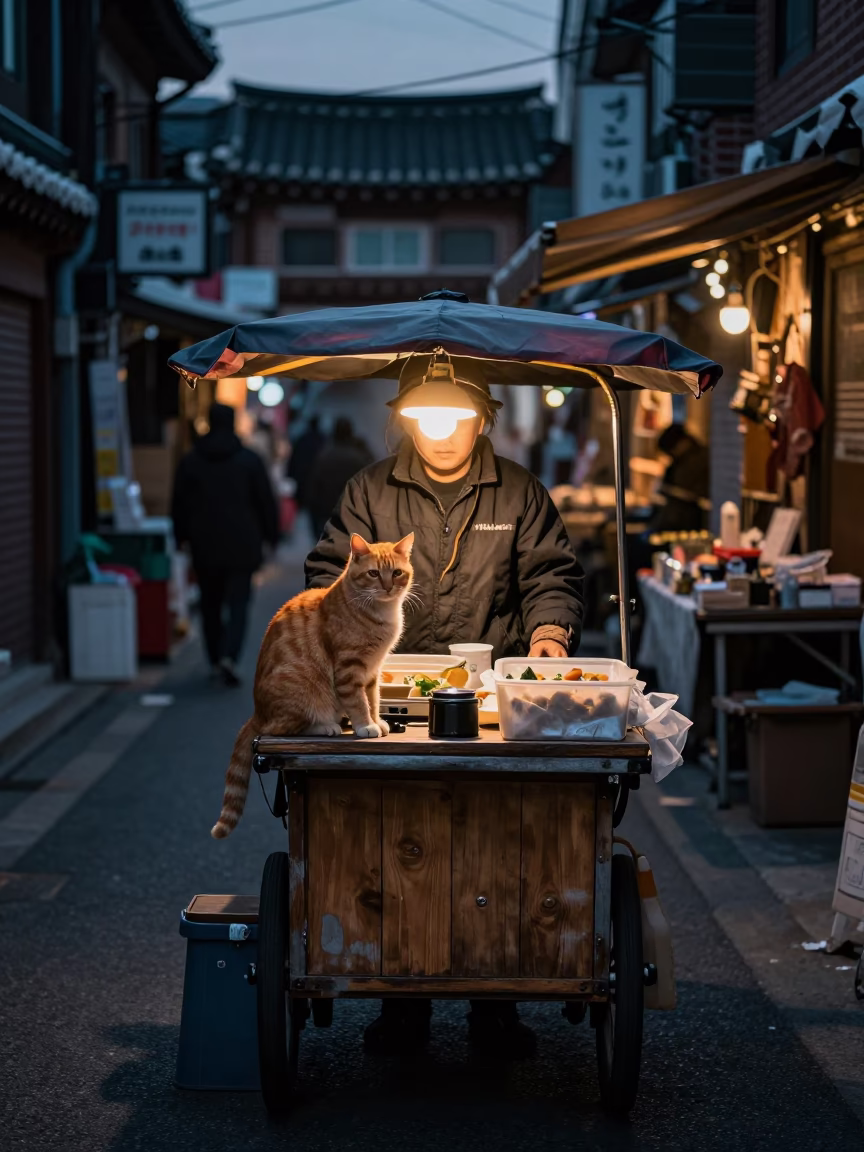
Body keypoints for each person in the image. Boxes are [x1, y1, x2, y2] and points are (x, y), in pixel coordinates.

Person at [305, 357, 584, 1058]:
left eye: (456, 419)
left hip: (489, 698)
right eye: (426, 419)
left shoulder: (518, 490)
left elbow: (551, 574)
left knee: (502, 848)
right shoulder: (369, 490)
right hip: (385, 690)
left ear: (481, 419)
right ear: (404, 418)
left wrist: (549, 636)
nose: (441, 433)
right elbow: (326, 574)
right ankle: (404, 1006)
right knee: (399, 846)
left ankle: (498, 1006)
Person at [172, 402, 279, 686]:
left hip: (204, 545)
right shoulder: (249, 460)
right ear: (232, 423)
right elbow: (266, 503)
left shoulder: (192, 460)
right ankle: (231, 655)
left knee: (210, 603)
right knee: (239, 603)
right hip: (243, 544)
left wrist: (180, 537)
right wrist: (271, 537)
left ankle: (215, 658)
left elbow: (179, 504)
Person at [306, 416, 374, 539]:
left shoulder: (325, 456)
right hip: (354, 512)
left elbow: (315, 487)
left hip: (328, 511)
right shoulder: (359, 458)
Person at [647, 423, 709, 535]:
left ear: (682, 442)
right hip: (677, 522)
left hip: (686, 524)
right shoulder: (683, 459)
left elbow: (685, 492)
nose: (672, 454)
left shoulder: (697, 460)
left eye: (671, 450)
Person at [285, 414, 325, 531]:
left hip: (302, 479)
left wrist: (290, 475)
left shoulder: (301, 439)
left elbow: (293, 460)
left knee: (302, 512)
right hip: (316, 481)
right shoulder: (323, 440)